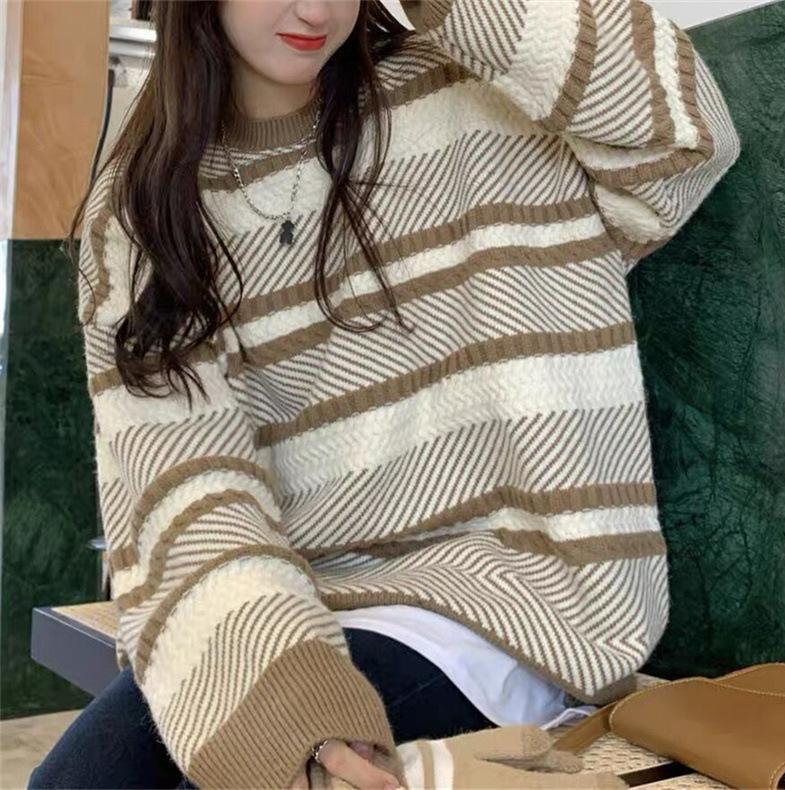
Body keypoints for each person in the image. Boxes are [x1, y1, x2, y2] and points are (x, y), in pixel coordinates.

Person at [30, 0, 741, 788]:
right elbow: (188, 485)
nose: (315, 9)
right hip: (282, 597)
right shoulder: (141, 210)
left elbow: (688, 132)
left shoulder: (479, 96)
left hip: (504, 603)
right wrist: (288, 693)